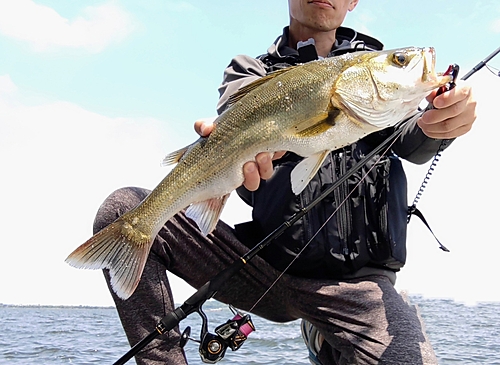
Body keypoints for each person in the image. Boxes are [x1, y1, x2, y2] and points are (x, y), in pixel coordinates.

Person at [94, 1, 476, 364]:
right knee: (123, 211)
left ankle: (327, 338)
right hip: (261, 266)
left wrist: (442, 123)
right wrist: (238, 159)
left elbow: (414, 139)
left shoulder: (377, 83)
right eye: (400, 61)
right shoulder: (250, 70)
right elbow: (237, 131)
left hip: (359, 287)